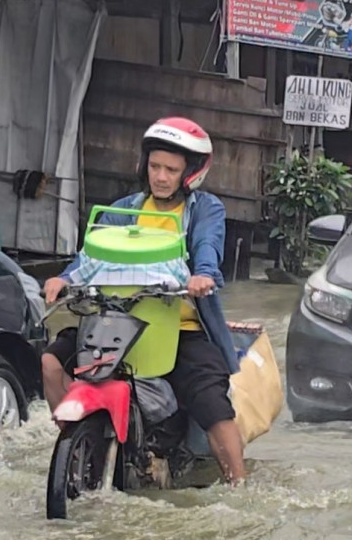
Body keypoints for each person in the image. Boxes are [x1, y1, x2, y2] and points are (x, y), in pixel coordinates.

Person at [41, 117, 248, 484]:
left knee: (213, 403)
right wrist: (63, 279)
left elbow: (207, 247)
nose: (161, 176)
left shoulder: (203, 210)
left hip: (177, 328)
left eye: (171, 169)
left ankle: (240, 487)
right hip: (114, 323)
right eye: (155, 166)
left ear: (191, 173)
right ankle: (78, 443)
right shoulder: (124, 209)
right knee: (50, 363)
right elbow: (91, 257)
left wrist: (202, 276)